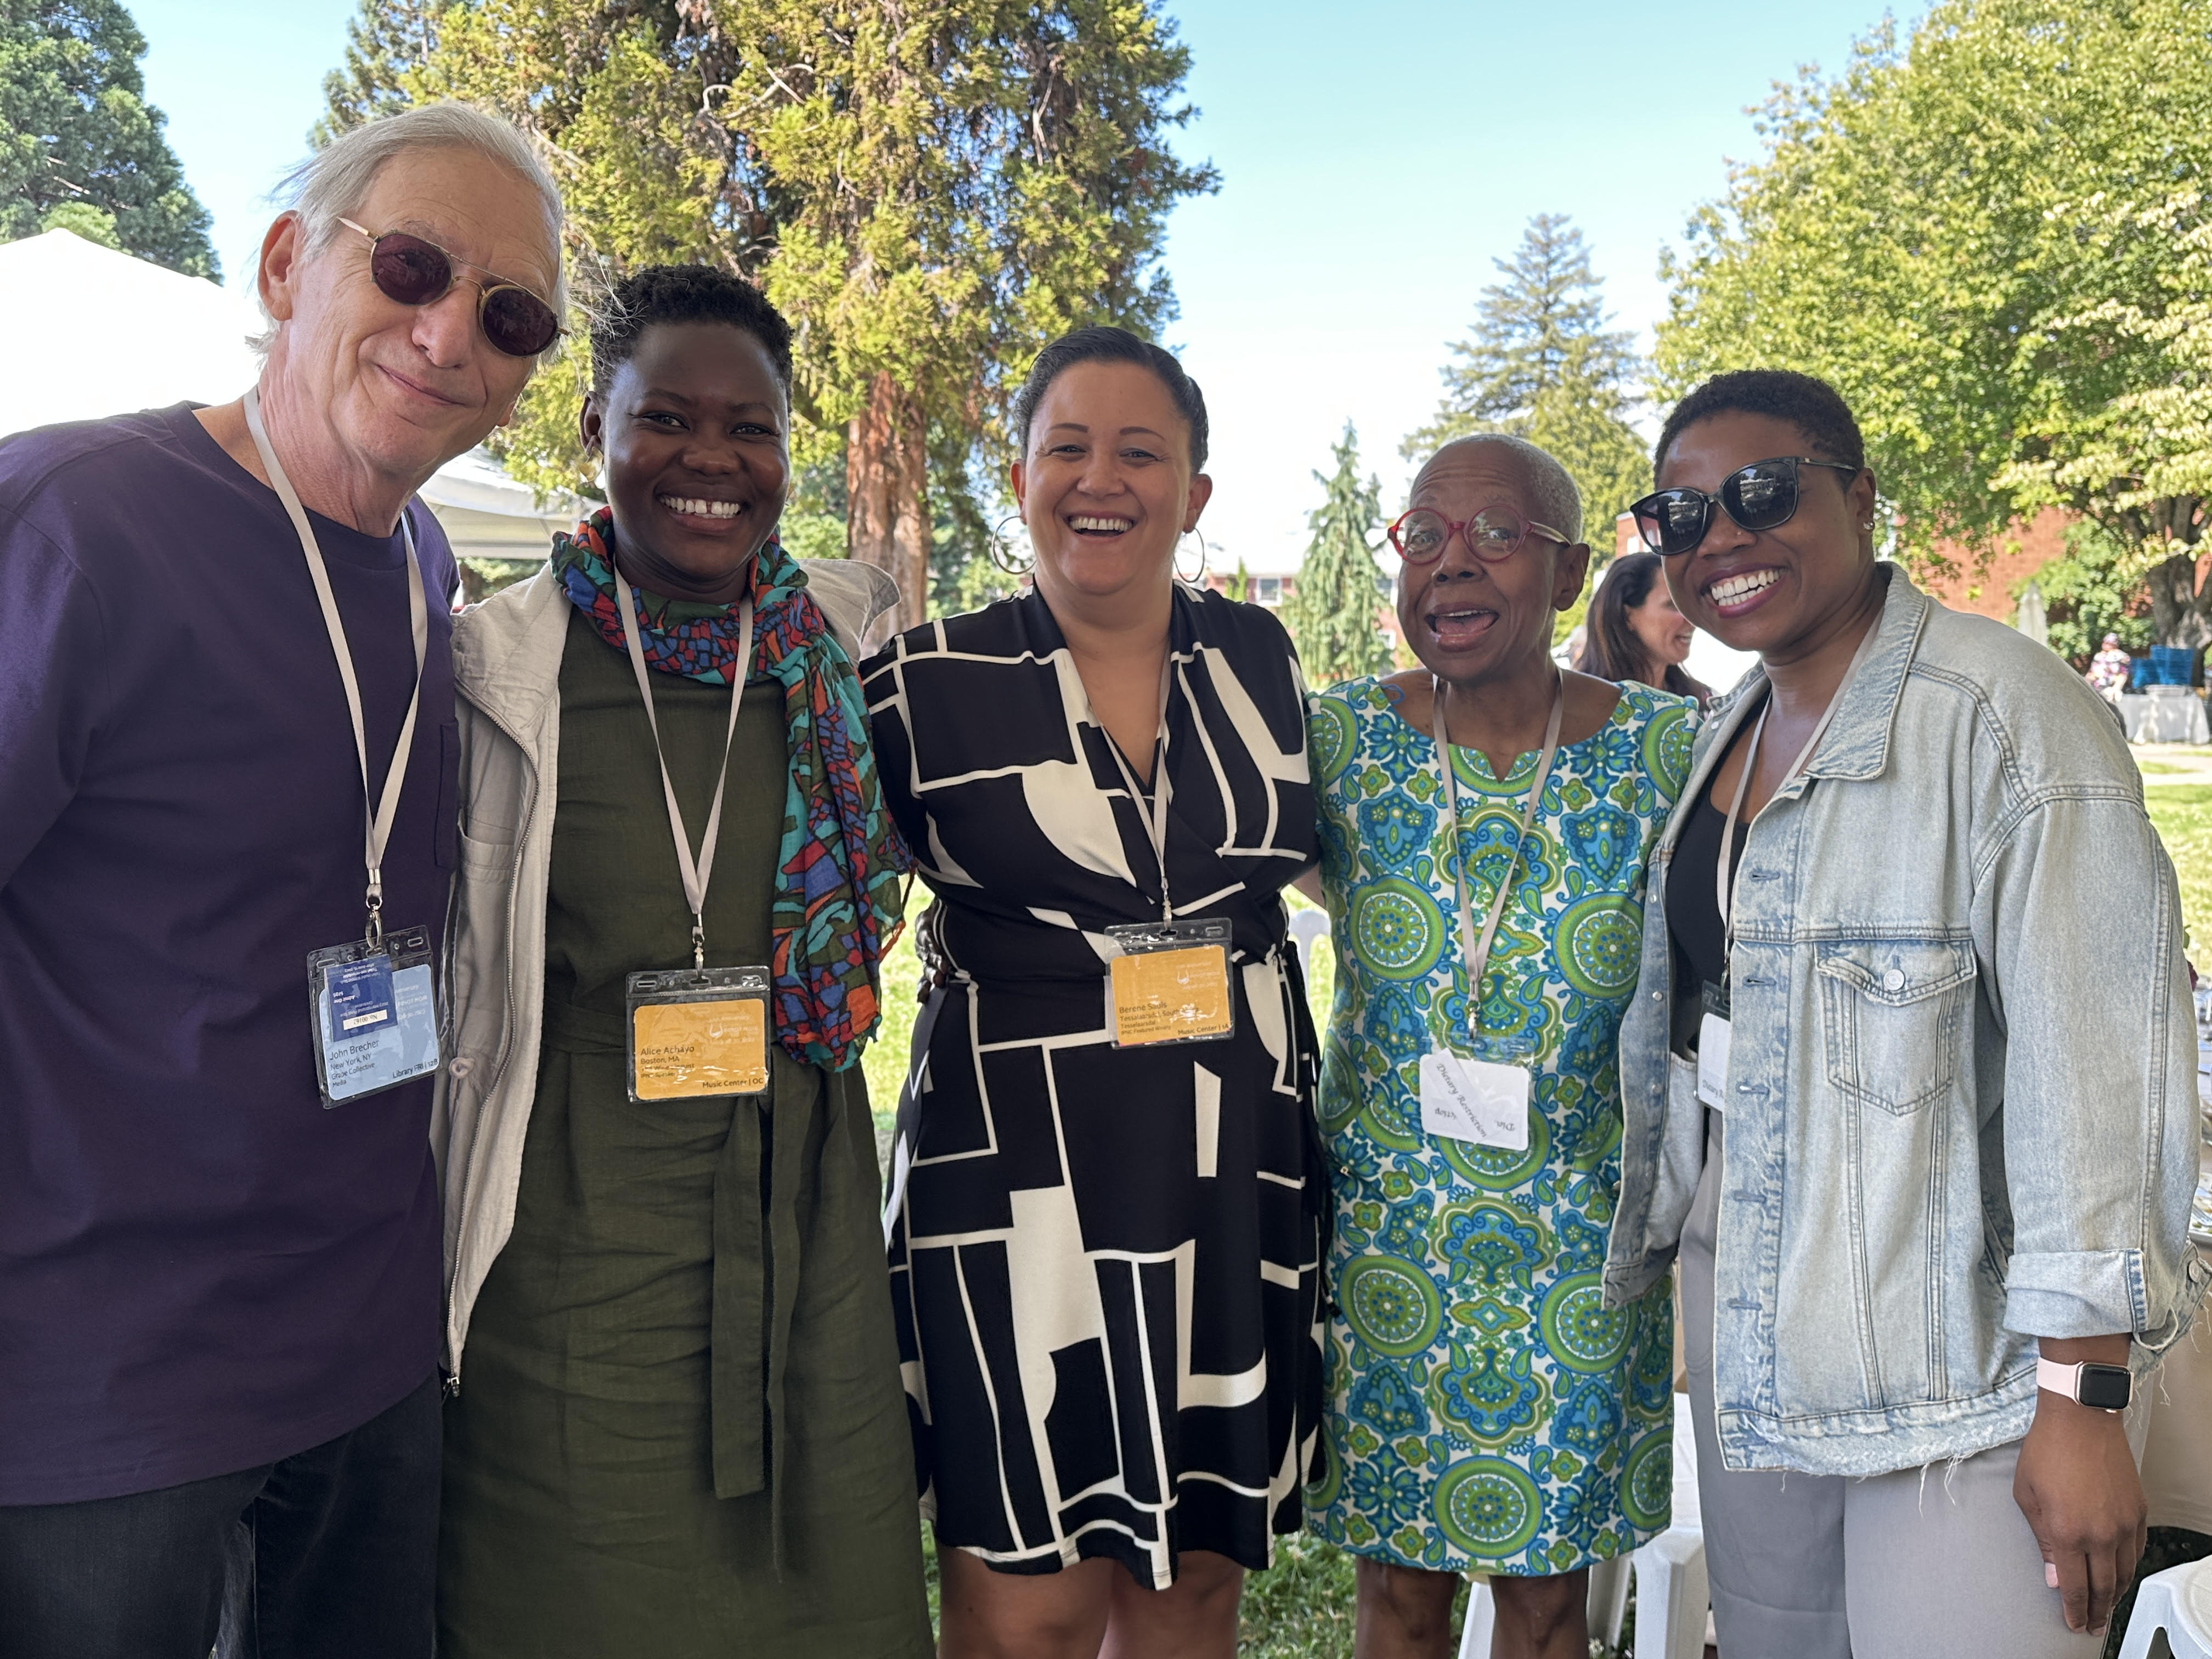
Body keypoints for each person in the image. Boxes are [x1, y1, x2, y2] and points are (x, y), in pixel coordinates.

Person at [0, 104, 562, 1659]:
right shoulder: (72, 523)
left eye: (509, 314)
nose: (450, 331)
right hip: (99, 1385)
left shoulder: (433, 570)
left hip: (365, 1356)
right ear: (283, 265)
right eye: (411, 266)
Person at [1604, 369, 2204, 1657]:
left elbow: (2092, 1076)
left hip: (1964, 1365)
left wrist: (2081, 1396)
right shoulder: (1737, 725)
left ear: (1861, 496)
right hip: (1756, 1300)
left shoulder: (2005, 717)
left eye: (1765, 493)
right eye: (1683, 515)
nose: (1724, 537)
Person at [433, 266, 928, 1656]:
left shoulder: (848, 655)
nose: (712, 460)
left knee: (821, 1598)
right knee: (573, 1587)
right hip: (574, 1228)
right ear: (597, 425)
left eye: (752, 428)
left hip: (802, 1203)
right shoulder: (493, 670)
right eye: (667, 421)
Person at [865, 325, 1323, 1659]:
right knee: (1026, 1607)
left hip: (1230, 1173)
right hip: (1015, 1193)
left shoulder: (1265, 664)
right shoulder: (919, 684)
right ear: (1017, 477)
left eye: (1141, 450)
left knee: (1194, 1596)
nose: (1100, 479)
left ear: (1196, 492)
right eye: (1066, 447)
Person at [1304, 435, 1695, 1659]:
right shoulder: (1337, 746)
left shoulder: (1665, 757)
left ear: (1573, 571)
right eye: (1425, 535)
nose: (1452, 565)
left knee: (1544, 1603)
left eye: (1497, 536)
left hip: (1580, 1241)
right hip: (1391, 1238)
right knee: (1400, 1593)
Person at [1573, 549, 1712, 707]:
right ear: (1627, 616)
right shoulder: (1578, 705)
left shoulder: (1702, 703)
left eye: (1689, 605)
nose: (1691, 620)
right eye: (1674, 605)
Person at [2088, 632, 2133, 703]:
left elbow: (2123, 675)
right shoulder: (2099, 656)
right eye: (2105, 642)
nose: (2105, 645)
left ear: (2115, 645)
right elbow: (2091, 674)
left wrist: (2115, 689)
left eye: (2108, 643)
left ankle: (2113, 692)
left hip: (2112, 687)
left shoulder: (2121, 656)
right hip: (2097, 688)